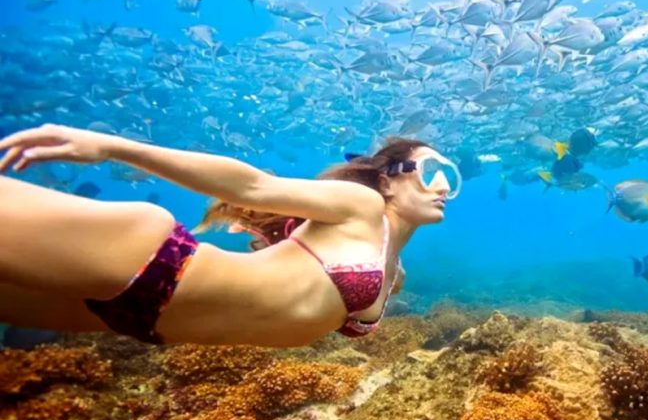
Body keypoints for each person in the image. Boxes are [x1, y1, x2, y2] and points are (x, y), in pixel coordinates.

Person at [0, 124, 462, 347]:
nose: (442, 185)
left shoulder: (394, 275)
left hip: (137, 324)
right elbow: (252, 185)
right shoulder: (360, 208)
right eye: (430, 171)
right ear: (387, 181)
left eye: (449, 175)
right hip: (152, 263)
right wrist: (115, 148)